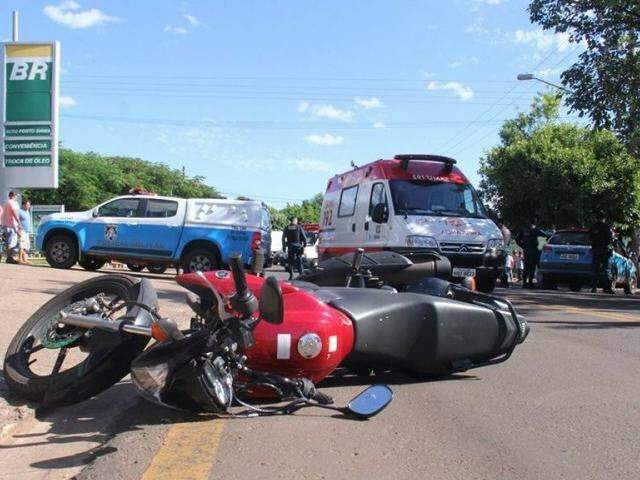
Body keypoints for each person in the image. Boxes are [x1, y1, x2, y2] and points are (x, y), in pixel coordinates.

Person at [516, 218, 547, 288]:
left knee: (526, 266)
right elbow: (545, 236)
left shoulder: (523, 230)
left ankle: (524, 283)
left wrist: (523, 246)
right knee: (532, 267)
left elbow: (517, 239)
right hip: (534, 251)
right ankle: (530, 282)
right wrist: (540, 245)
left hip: (526, 250)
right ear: (535, 223)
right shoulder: (536, 230)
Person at [589, 214, 614, 293]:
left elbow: (590, 237)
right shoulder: (606, 227)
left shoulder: (593, 227)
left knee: (595, 269)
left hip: (596, 249)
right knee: (607, 269)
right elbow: (610, 238)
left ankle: (594, 287)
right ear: (604, 218)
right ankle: (608, 288)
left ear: (596, 218)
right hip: (605, 250)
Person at [1, 192, 22, 264]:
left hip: (6, 224)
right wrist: (19, 223)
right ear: (13, 196)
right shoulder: (13, 203)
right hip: (12, 225)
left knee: (8, 241)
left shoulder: (5, 203)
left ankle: (9, 257)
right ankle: (9, 258)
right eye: (16, 196)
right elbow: (14, 213)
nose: (17, 197)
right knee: (11, 241)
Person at [17, 199, 32, 265]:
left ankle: (25, 259)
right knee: (21, 245)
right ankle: (20, 259)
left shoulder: (27, 212)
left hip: (27, 232)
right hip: (21, 231)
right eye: (27, 205)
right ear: (23, 205)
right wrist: (18, 230)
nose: (29, 206)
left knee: (25, 246)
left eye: (29, 205)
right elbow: (15, 221)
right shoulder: (19, 211)